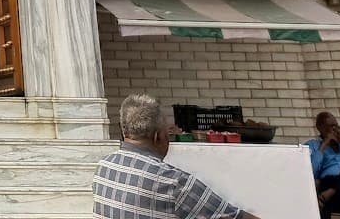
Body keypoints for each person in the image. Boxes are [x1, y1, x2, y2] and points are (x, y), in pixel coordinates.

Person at [92, 94, 262, 219]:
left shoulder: (104, 167)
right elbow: (233, 216)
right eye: (168, 133)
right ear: (159, 137)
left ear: (125, 132)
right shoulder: (173, 182)